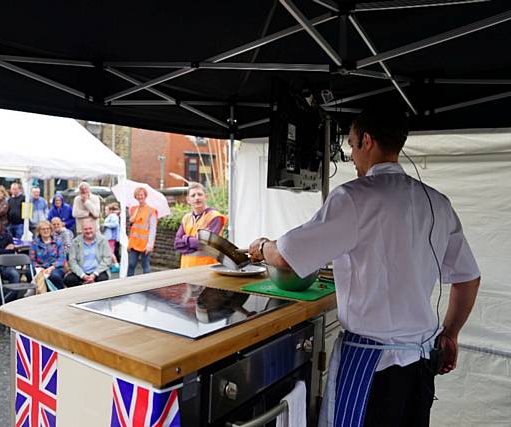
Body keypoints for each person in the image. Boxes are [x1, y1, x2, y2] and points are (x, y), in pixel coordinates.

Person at [248, 110, 481, 427]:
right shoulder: (437, 202)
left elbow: (287, 257)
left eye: (352, 146)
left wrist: (262, 247)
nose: (352, 157)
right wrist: (450, 333)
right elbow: (468, 278)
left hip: (373, 368)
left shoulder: (354, 198)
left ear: (367, 141)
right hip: (421, 363)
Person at [174, 182, 227, 268]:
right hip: (186, 268)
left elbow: (205, 244)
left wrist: (185, 238)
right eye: (193, 195)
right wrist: (194, 241)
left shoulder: (214, 217)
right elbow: (177, 244)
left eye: (200, 194)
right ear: (188, 200)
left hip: (207, 268)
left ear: (206, 197)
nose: (197, 198)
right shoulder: (186, 218)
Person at [65, 218, 112, 286]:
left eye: (90, 228)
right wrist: (83, 275)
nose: (88, 231)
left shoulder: (103, 240)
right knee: (69, 280)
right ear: (82, 230)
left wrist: (94, 274)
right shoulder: (75, 242)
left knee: (102, 280)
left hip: (98, 271)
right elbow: (72, 262)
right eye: (85, 229)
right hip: (82, 272)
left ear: (95, 229)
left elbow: (107, 259)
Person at [127, 188, 158, 276]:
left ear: (145, 196)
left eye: (142, 195)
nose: (140, 197)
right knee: (131, 264)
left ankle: (147, 285)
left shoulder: (151, 211)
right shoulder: (133, 209)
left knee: (145, 265)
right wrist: (131, 221)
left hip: (145, 244)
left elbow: (153, 229)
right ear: (135, 197)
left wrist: (150, 245)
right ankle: (128, 285)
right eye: (138, 195)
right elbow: (132, 227)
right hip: (134, 242)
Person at [29, 220, 65, 289]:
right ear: (39, 231)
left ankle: (59, 292)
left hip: (55, 268)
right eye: (43, 229)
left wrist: (51, 268)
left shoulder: (58, 242)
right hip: (40, 268)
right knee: (30, 273)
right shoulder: (34, 243)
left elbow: (62, 259)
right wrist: (39, 268)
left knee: (54, 276)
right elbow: (32, 260)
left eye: (48, 229)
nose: (46, 231)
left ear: (51, 230)